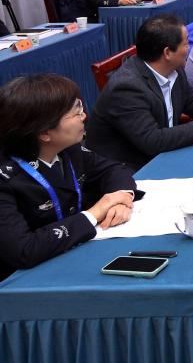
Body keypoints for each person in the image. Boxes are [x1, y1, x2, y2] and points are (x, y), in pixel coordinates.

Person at [0, 74, 137, 278]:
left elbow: (114, 169)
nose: (84, 116)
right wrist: (95, 213)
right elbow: (24, 250)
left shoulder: (69, 150)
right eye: (75, 113)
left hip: (73, 254)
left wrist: (120, 199)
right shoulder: (6, 177)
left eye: (79, 106)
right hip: (25, 280)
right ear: (44, 133)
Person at [86, 14, 193, 171]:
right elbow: (152, 141)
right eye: (185, 44)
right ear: (167, 53)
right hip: (128, 169)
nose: (189, 48)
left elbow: (190, 98)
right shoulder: (127, 88)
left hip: (164, 153)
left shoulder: (173, 69)